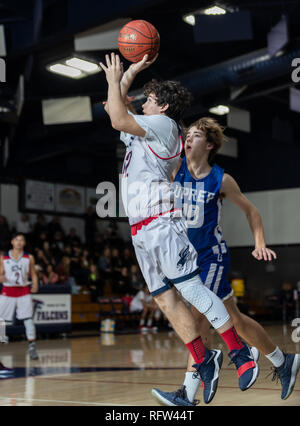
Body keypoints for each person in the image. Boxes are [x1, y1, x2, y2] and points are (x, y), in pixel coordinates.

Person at [100, 52, 260, 403]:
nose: (144, 102)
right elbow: (114, 108)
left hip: (160, 223)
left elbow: (115, 116)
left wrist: (117, 79)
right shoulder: (145, 129)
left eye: (151, 99)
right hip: (141, 229)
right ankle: (204, 361)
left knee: (193, 292)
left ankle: (240, 354)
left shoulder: (165, 126)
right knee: (165, 300)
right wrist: (130, 73)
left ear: (165, 106)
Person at [152, 117, 300, 405]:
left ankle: (187, 393)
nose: (188, 139)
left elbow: (252, 212)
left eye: (195, 136)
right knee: (234, 318)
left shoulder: (220, 179)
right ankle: (283, 361)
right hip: (187, 258)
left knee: (197, 318)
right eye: (187, 135)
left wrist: (259, 244)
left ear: (208, 145)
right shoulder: (176, 170)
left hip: (211, 256)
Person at [0, 233, 39, 360]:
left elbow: (33, 273)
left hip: (23, 291)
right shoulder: (3, 257)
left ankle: (32, 347)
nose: (19, 242)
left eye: (21, 240)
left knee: (28, 319)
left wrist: (36, 283)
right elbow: (0, 274)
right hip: (8, 290)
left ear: (24, 243)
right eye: (16, 239)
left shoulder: (29, 257)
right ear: (12, 241)